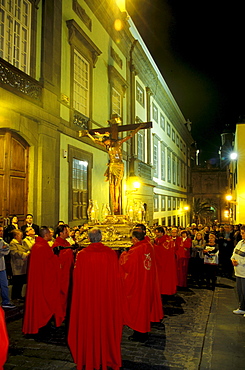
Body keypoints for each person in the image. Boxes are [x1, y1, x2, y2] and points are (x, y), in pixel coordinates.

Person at [68, 228, 123, 370]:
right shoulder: (111, 254)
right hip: (106, 301)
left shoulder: (82, 255)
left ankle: (88, 354)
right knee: (105, 325)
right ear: (101, 237)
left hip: (88, 301)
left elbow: (77, 280)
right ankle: (107, 355)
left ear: (88, 238)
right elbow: (116, 279)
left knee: (89, 325)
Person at [83, 117, 145, 213]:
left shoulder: (117, 143)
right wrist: (88, 135)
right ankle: (114, 203)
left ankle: (117, 203)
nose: (106, 144)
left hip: (119, 165)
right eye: (105, 143)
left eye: (106, 142)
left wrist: (139, 127)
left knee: (117, 184)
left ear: (109, 140)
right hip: (112, 165)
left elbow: (130, 136)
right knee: (111, 184)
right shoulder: (107, 146)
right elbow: (96, 141)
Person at [119, 229, 163, 342]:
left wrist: (123, 253)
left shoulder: (136, 250)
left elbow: (126, 264)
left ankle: (140, 332)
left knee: (138, 308)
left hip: (138, 284)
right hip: (147, 281)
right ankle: (143, 331)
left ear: (134, 239)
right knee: (145, 306)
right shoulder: (148, 245)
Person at [22, 227, 64, 336]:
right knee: (45, 303)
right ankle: (43, 326)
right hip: (44, 282)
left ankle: (42, 325)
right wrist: (57, 258)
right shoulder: (43, 247)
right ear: (46, 235)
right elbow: (51, 265)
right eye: (50, 234)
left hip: (37, 281)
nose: (51, 235)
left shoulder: (37, 246)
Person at [52, 224, 74, 319]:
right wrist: (70, 251)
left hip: (68, 271)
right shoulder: (57, 244)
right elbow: (59, 258)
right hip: (62, 273)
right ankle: (60, 314)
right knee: (62, 294)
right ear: (61, 233)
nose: (68, 233)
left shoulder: (66, 242)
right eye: (66, 231)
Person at [153, 226, 177, 296]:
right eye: (155, 233)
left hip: (166, 263)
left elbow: (163, 250)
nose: (156, 234)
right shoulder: (157, 239)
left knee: (166, 279)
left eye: (157, 233)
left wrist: (153, 246)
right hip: (159, 263)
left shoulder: (168, 240)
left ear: (162, 233)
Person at [9, 229, 30, 301]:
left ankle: (20, 295)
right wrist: (24, 254)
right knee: (17, 282)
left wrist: (27, 252)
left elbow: (28, 248)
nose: (21, 236)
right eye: (20, 235)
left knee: (21, 282)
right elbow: (15, 253)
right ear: (15, 236)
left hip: (24, 265)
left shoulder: (23, 242)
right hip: (17, 265)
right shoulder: (12, 243)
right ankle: (15, 297)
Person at [0, 226, 15, 309]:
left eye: (2, 231)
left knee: (4, 285)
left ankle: (6, 301)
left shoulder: (2, 241)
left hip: (2, 267)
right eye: (0, 231)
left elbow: (7, 249)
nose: (1, 232)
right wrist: (2, 251)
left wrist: (1, 251)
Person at [231, 225, 245, 315]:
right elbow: (234, 252)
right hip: (238, 271)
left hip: (244, 272)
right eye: (241, 233)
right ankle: (242, 307)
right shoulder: (240, 242)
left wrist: (239, 262)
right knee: (239, 291)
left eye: (243, 233)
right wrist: (232, 259)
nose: (242, 235)